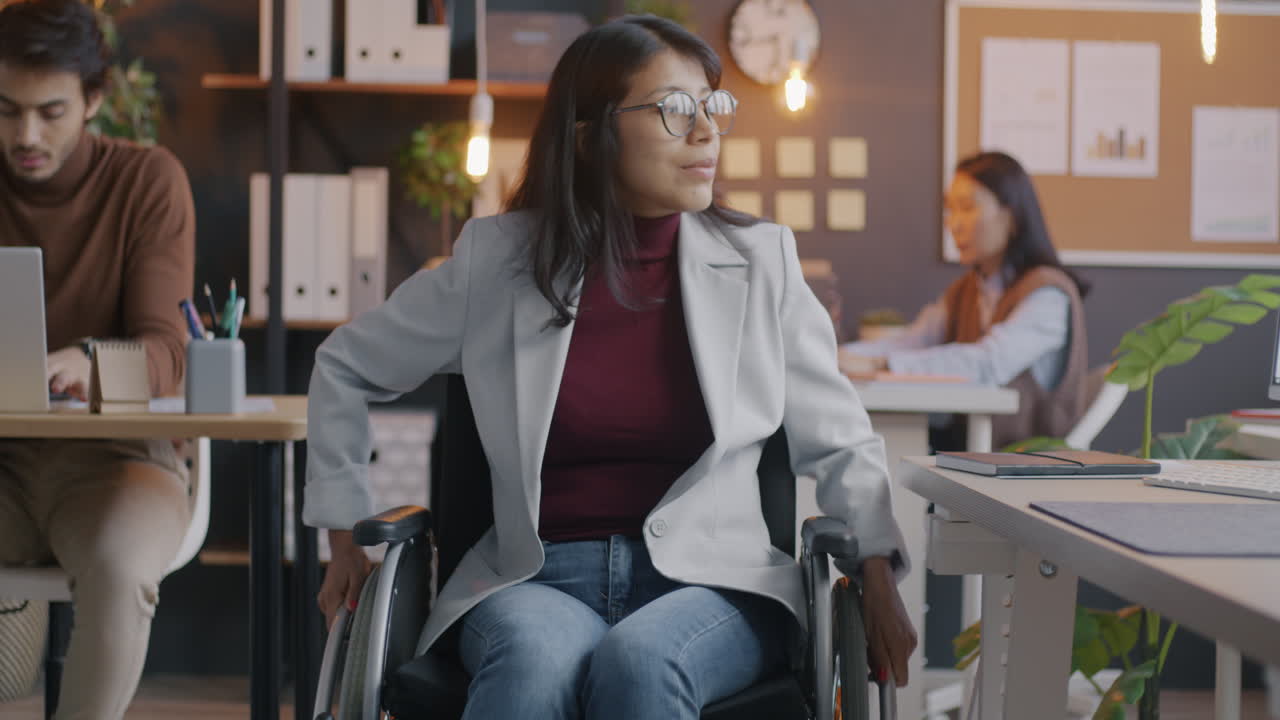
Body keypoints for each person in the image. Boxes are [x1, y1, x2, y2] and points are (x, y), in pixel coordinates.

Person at [306, 15, 915, 720]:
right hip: (535, 581)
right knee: (533, 663)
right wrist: (343, 530)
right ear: (592, 135)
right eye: (674, 110)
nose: (706, 131)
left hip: (714, 586)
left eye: (712, 107)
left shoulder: (762, 261)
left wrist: (873, 568)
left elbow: (839, 437)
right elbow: (344, 365)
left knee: (641, 662)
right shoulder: (498, 262)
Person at [0, 1, 196, 718]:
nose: (25, 135)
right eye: (5, 109)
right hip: (5, 465)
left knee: (118, 571)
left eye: (50, 111)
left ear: (94, 99)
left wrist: (91, 362)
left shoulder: (147, 181)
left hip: (118, 462)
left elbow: (167, 352)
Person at [840, 151, 1090, 450]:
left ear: (1011, 215)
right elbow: (914, 340)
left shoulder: (1048, 295)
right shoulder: (967, 290)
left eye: (967, 208)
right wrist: (835, 357)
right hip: (969, 449)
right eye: (950, 210)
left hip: (1023, 463)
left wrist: (877, 364)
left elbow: (988, 363)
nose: (954, 224)